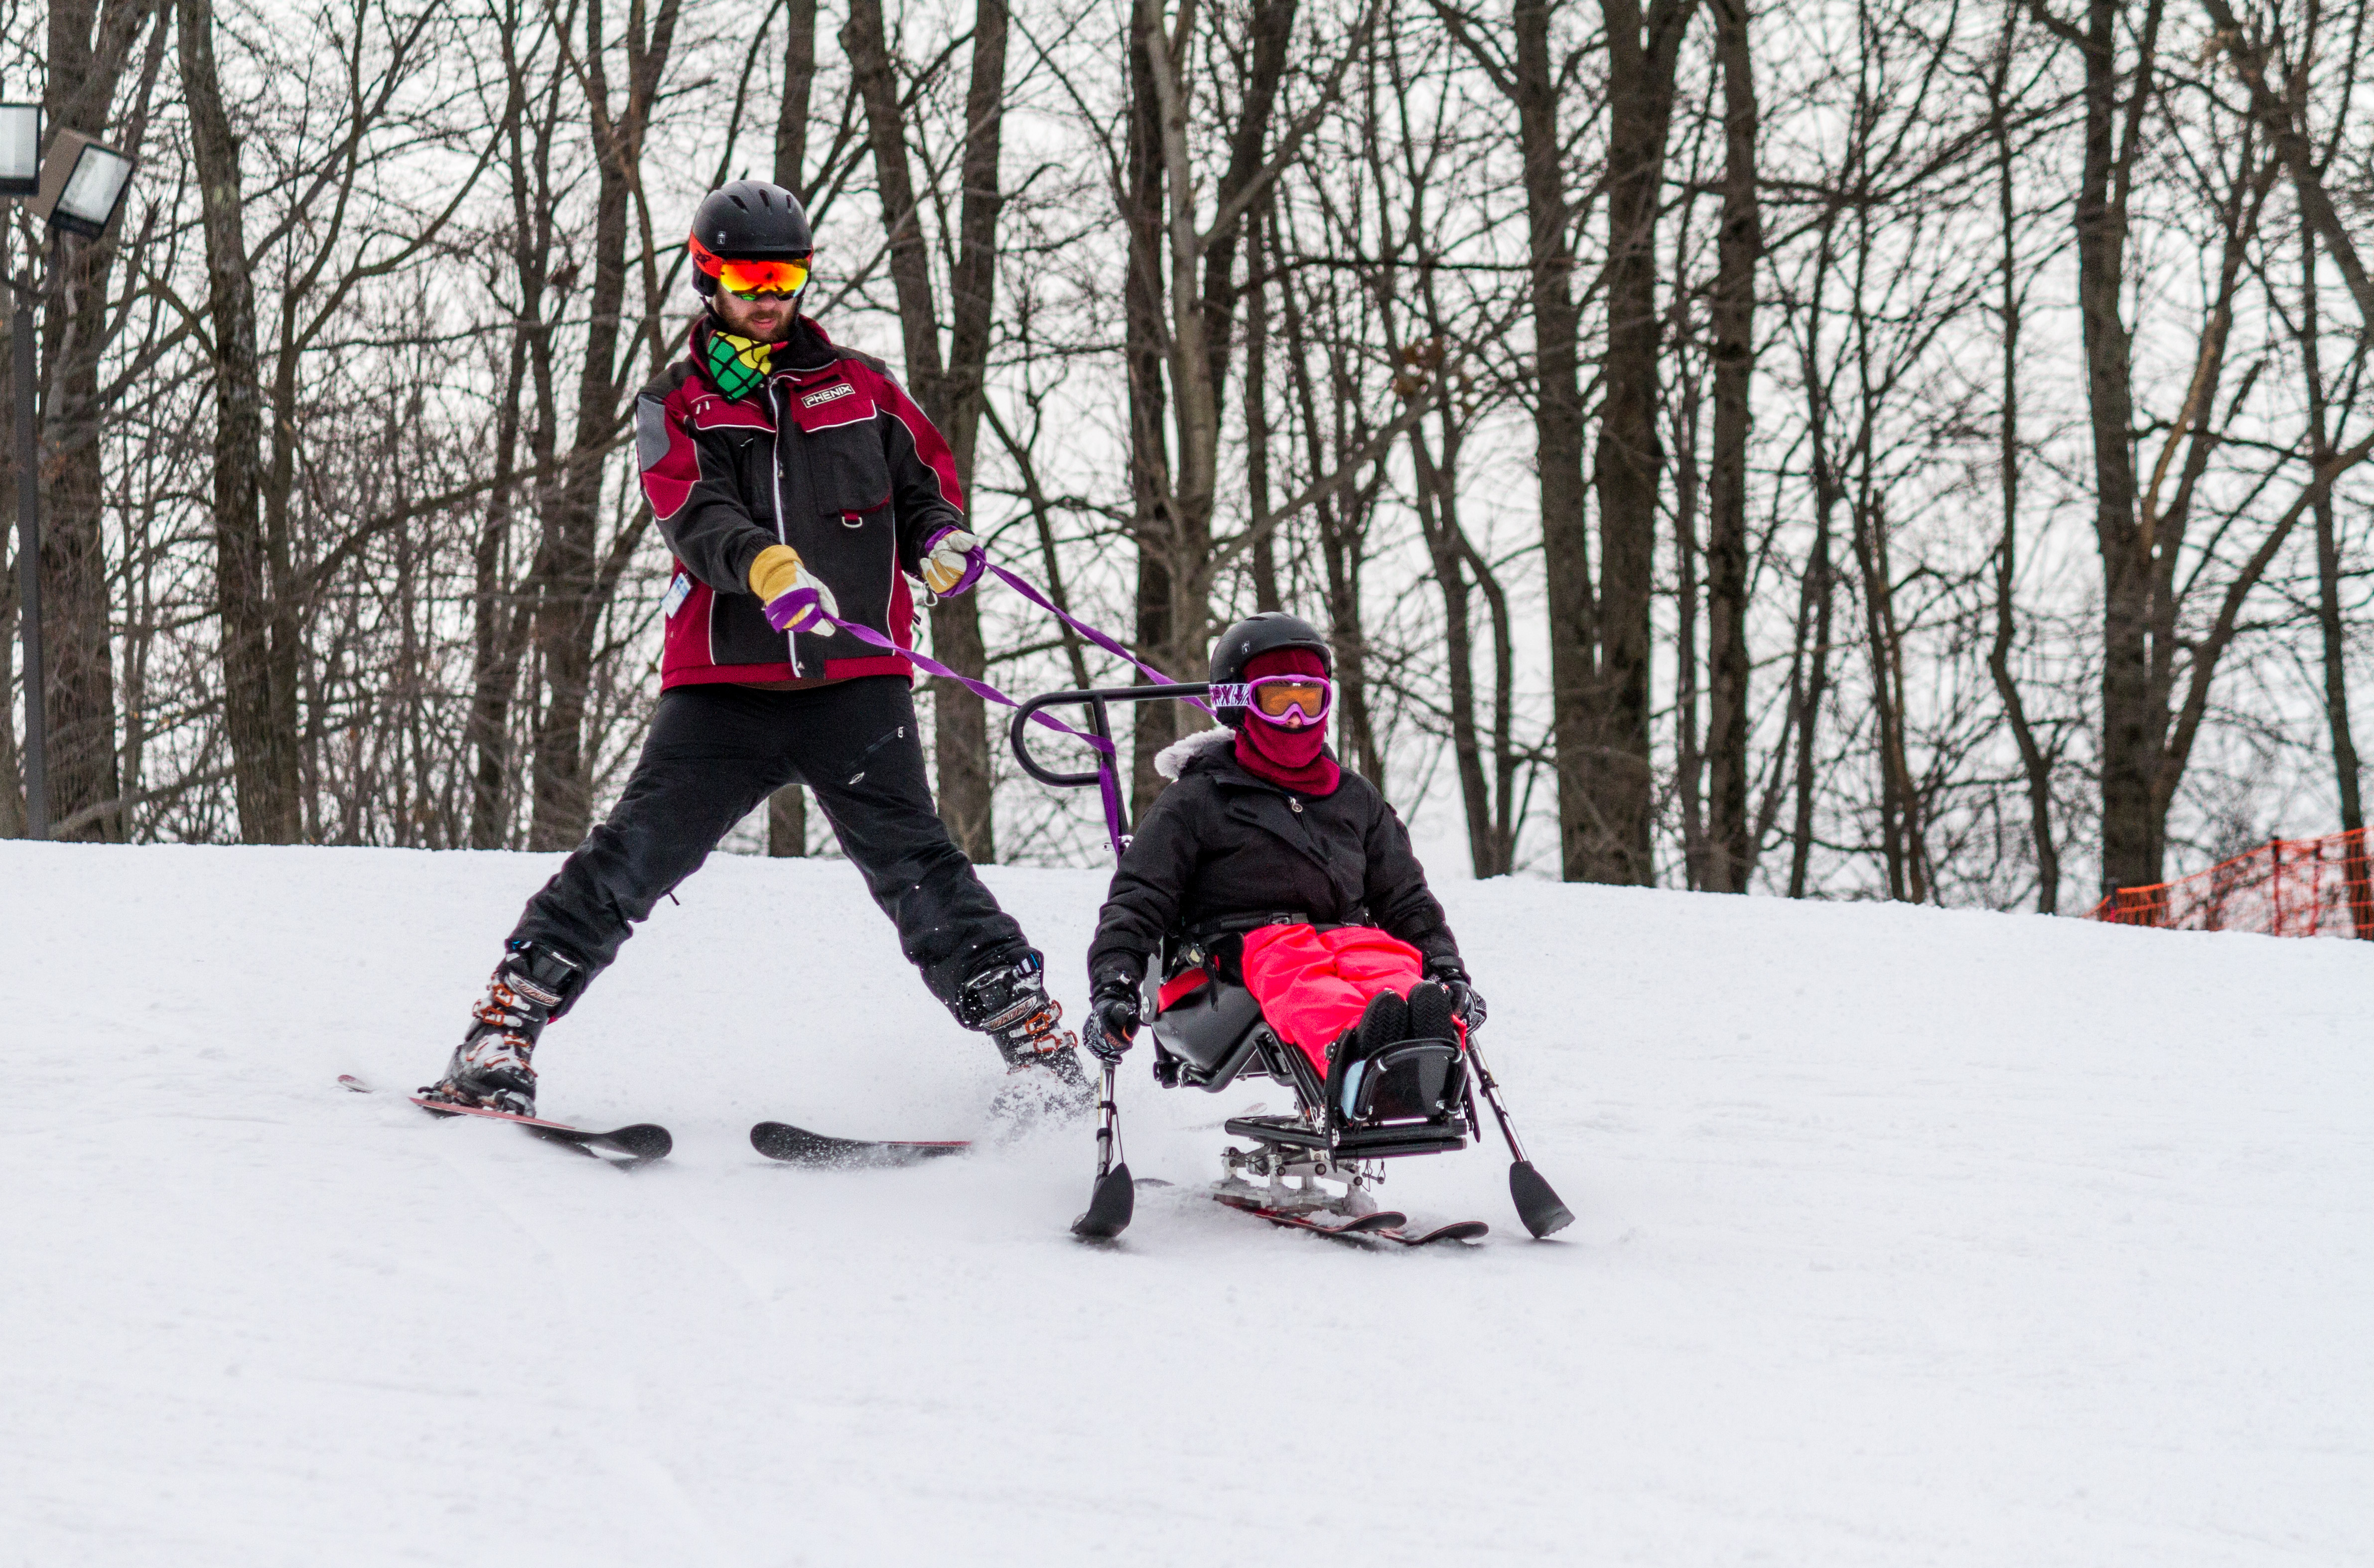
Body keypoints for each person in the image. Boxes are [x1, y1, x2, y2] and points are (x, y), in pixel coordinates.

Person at [423, 179, 1089, 1121]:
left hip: (855, 682)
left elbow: (923, 486)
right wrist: (769, 568)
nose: (771, 294)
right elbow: (693, 510)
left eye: (787, 275)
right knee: (634, 856)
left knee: (920, 866)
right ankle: (504, 1028)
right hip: (726, 679)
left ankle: (1035, 1045)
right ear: (709, 277)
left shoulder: (860, 387)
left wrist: (938, 541)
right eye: (750, 276)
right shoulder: (679, 399)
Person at [1080, 613, 1484, 1096]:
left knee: (1387, 961)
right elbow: (1138, 899)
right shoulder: (1197, 800)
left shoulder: (1353, 798)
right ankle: (1357, 1060)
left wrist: (1443, 967)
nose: (1295, 717)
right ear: (1240, 705)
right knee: (1300, 973)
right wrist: (1114, 984)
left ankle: (1427, 1050)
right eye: (1278, 700)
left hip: (1345, 939)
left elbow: (1404, 898)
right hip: (1234, 959)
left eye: (1308, 700)